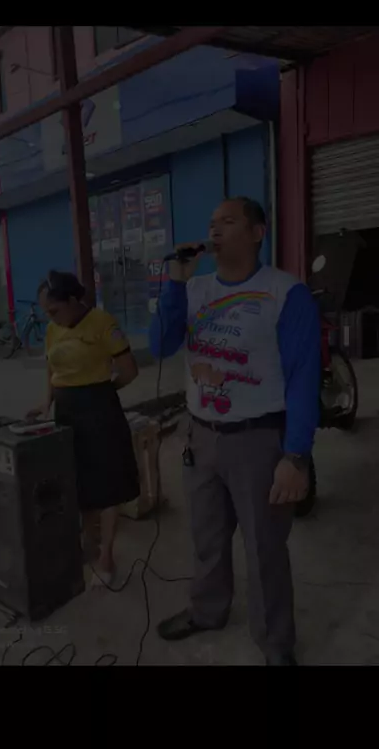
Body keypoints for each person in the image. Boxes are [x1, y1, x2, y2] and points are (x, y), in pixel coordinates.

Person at [149, 197, 321, 666]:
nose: (215, 229)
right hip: (201, 434)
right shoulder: (195, 289)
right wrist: (176, 284)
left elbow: (304, 377)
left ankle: (275, 643)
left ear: (257, 233)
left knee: (264, 548)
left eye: (228, 221)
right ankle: (208, 611)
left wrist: (296, 455)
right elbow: (159, 345)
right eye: (212, 222)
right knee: (206, 537)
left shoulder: (284, 293)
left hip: (258, 439)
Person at [27, 270, 140, 586]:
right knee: (77, 479)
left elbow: (129, 371)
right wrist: (47, 401)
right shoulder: (53, 329)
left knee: (107, 483)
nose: (51, 318)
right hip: (66, 411)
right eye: (47, 313)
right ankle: (88, 542)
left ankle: (107, 555)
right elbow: (51, 367)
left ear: (73, 300)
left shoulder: (103, 323)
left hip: (100, 412)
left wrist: (102, 393)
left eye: (54, 310)